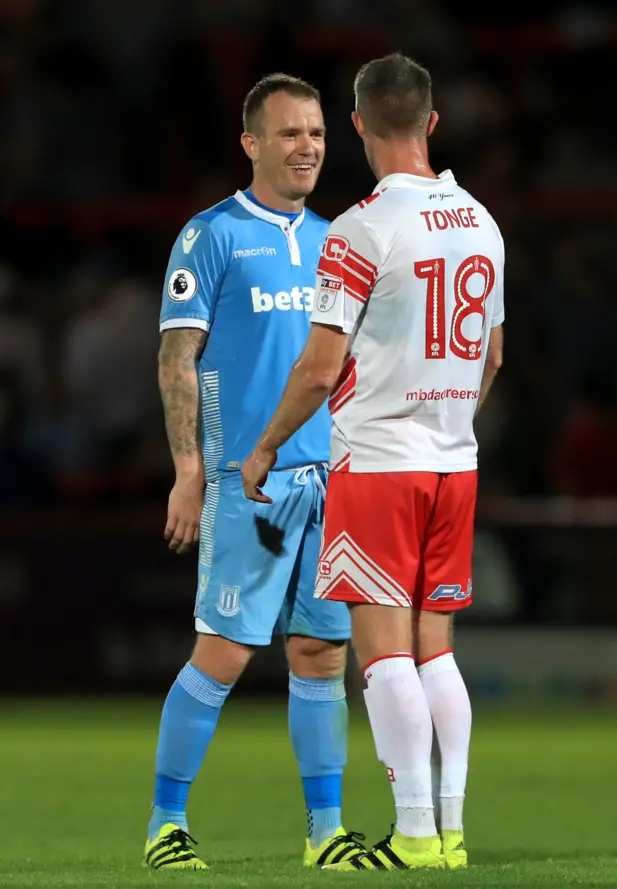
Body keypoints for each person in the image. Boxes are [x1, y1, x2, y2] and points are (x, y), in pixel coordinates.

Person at [242, 53, 505, 872]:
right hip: (453, 463)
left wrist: (266, 444)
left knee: (384, 652)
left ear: (356, 125)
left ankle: (416, 835)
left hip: (380, 466)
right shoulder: (484, 221)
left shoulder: (360, 229)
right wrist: (449, 420)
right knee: (438, 650)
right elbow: (492, 355)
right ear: (431, 122)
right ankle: (453, 831)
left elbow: (320, 368)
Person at [145, 73, 365, 871]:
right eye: (288, 134)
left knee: (320, 655)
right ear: (251, 144)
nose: (306, 146)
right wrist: (188, 468)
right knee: (226, 652)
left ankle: (326, 830)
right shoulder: (211, 237)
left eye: (315, 132)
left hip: (331, 480)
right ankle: (166, 823)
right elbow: (178, 356)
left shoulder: (339, 239)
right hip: (251, 481)